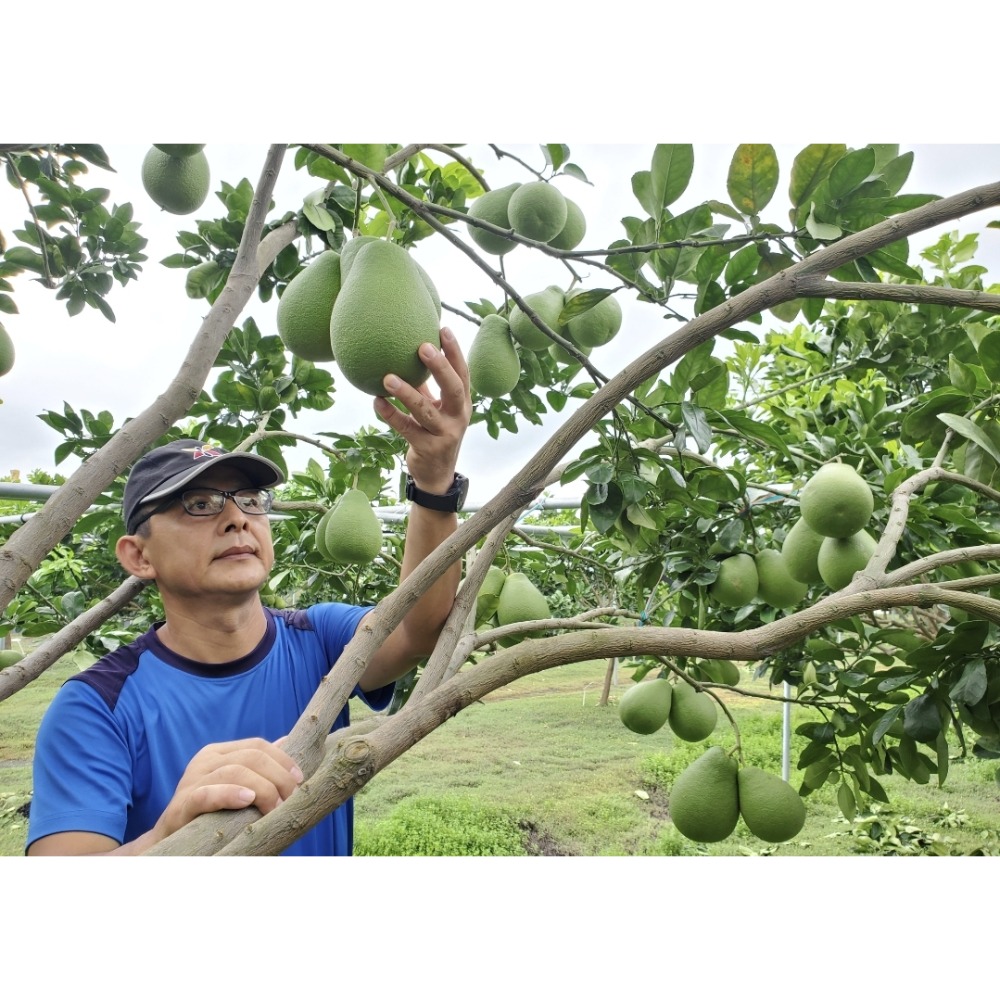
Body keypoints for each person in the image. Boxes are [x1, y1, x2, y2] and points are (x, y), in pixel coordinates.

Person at [26, 329, 471, 856]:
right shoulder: (94, 707)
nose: (237, 518)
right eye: (199, 504)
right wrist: (167, 836)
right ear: (138, 556)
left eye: (250, 500)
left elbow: (418, 630)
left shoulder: (320, 640)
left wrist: (435, 481)